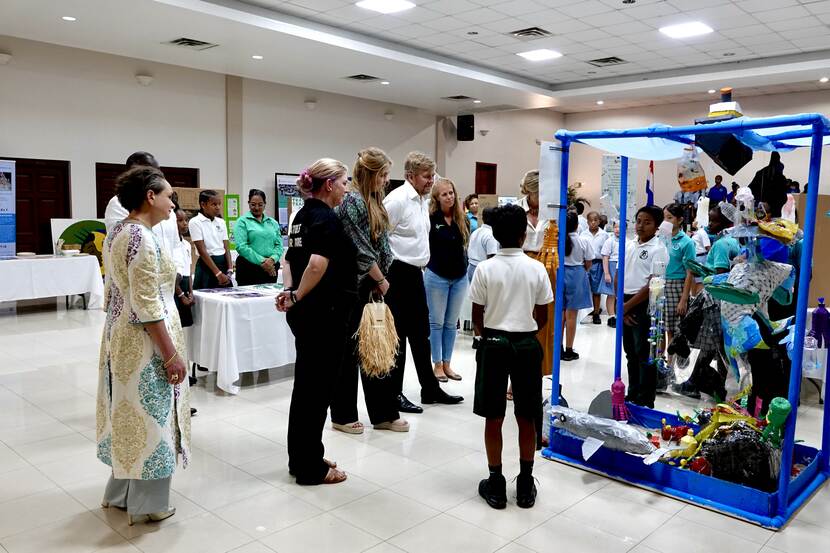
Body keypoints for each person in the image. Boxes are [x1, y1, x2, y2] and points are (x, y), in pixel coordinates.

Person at [97, 166, 191, 526]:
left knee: (127, 416)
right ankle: (149, 503)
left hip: (120, 336)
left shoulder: (119, 232)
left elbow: (114, 294)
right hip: (144, 343)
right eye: (168, 196)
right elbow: (148, 304)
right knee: (152, 418)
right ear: (150, 197)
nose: (173, 204)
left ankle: (120, 493)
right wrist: (170, 354)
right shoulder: (142, 238)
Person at [276, 158, 356, 485]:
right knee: (316, 391)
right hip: (324, 315)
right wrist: (296, 295)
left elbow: (287, 259)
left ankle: (304, 456)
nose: (346, 188)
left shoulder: (302, 216)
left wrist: (289, 291)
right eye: (344, 182)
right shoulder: (325, 219)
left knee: (307, 388)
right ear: (329, 185)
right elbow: (316, 265)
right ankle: (310, 467)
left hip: (308, 313)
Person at [470, 203, 554, 510]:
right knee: (526, 415)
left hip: (493, 343)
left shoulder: (485, 268)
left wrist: (491, 333)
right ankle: (526, 482)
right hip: (526, 345)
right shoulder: (536, 268)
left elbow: (477, 314)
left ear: (494, 235)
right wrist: (525, 330)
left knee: (493, 415)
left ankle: (495, 481)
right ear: (523, 235)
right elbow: (543, 314)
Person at [333, 147, 407, 434]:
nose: (386, 180)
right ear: (370, 174)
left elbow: (382, 243)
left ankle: (383, 413)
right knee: (350, 351)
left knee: (378, 346)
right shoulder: (351, 202)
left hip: (375, 282)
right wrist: (380, 279)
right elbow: (360, 248)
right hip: (356, 284)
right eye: (383, 175)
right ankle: (342, 414)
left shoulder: (375, 201)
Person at [383, 152, 462, 414]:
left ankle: (429, 388)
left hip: (416, 273)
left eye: (433, 176)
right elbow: (381, 236)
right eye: (427, 176)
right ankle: (394, 394)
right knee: (400, 337)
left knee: (421, 335)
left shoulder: (420, 200)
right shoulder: (396, 200)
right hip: (397, 273)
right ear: (410, 176)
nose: (431, 181)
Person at [673, 203, 738, 400]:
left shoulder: (720, 245)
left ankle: (693, 383)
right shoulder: (734, 242)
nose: (710, 224)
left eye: (714, 220)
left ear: (726, 221)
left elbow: (720, 276)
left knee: (706, 345)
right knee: (720, 346)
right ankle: (719, 387)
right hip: (729, 303)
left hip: (714, 301)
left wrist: (704, 274)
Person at [621, 206, 668, 408]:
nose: (641, 226)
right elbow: (619, 273)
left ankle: (645, 399)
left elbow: (652, 283)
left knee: (644, 354)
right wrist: (620, 305)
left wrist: (627, 306)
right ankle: (632, 395)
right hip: (625, 301)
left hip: (644, 303)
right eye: (638, 220)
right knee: (630, 353)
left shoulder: (658, 249)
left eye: (647, 222)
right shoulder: (630, 244)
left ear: (656, 226)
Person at [426, 177, 470, 382]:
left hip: (459, 277)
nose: (449, 197)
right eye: (444, 194)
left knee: (451, 324)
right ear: (437, 197)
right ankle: (437, 364)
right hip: (437, 276)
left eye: (451, 192)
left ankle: (447, 363)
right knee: (437, 322)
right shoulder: (431, 218)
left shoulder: (462, 218)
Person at [104, 152, 179, 256]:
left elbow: (176, 244)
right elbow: (123, 246)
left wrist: (179, 270)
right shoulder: (118, 203)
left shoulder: (165, 204)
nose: (156, 176)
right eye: (149, 171)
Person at [662, 203, 696, 371]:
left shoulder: (687, 242)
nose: (665, 221)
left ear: (680, 220)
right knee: (663, 326)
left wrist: (684, 299)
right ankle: (662, 362)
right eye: (664, 217)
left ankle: (674, 364)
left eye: (669, 218)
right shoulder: (662, 237)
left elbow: (690, 272)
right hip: (660, 284)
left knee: (675, 329)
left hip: (677, 285)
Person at [233, 189, 283, 285]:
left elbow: (279, 245)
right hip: (248, 268)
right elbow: (241, 247)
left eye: (260, 204)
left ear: (265, 204)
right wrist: (263, 261)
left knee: (268, 298)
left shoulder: (273, 223)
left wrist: (272, 259)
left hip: (271, 268)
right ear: (248, 203)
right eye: (253, 204)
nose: (256, 208)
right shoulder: (242, 221)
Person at [562, 212, 593, 361]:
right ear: (577, 225)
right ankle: (569, 349)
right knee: (571, 316)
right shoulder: (584, 241)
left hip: (560, 274)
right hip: (577, 275)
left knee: (559, 315)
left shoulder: (559, 239)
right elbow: (588, 263)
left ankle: (558, 348)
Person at [189, 190, 232, 290]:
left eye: (219, 204)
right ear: (203, 205)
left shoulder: (221, 222)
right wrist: (218, 273)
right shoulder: (195, 222)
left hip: (223, 264)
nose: (218, 207)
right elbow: (202, 251)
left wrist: (229, 268)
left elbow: (226, 247)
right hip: (208, 265)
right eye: (214, 204)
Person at [581, 210, 609, 324]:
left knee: (596, 290)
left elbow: (606, 252)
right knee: (583, 289)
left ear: (599, 221)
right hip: (585, 263)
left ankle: (596, 314)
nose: (593, 222)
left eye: (595, 220)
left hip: (598, 263)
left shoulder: (604, 235)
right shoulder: (583, 234)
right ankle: (583, 313)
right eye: (590, 220)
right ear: (587, 222)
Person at [749, 151, 788, 217]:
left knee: (760, 224)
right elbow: (782, 196)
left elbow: (751, 189)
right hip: (774, 211)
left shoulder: (761, 173)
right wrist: (770, 204)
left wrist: (759, 202)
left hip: (760, 209)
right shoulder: (781, 177)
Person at [467, 207, 499, 283]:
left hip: (470, 267)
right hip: (482, 270)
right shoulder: (491, 235)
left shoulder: (476, 231)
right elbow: (491, 259)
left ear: (483, 218)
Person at [599, 221, 620, 328]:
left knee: (621, 293)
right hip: (612, 267)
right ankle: (611, 316)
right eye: (615, 227)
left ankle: (620, 315)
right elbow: (605, 257)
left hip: (623, 267)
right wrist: (607, 273)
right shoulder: (609, 241)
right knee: (611, 293)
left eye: (620, 227)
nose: (617, 229)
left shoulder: (628, 241)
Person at [690, 220, 711, 296]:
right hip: (696, 258)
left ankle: (700, 298)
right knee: (695, 280)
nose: (693, 222)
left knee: (700, 281)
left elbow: (708, 246)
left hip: (701, 258)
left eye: (695, 220)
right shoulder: (696, 232)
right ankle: (695, 297)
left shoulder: (702, 232)